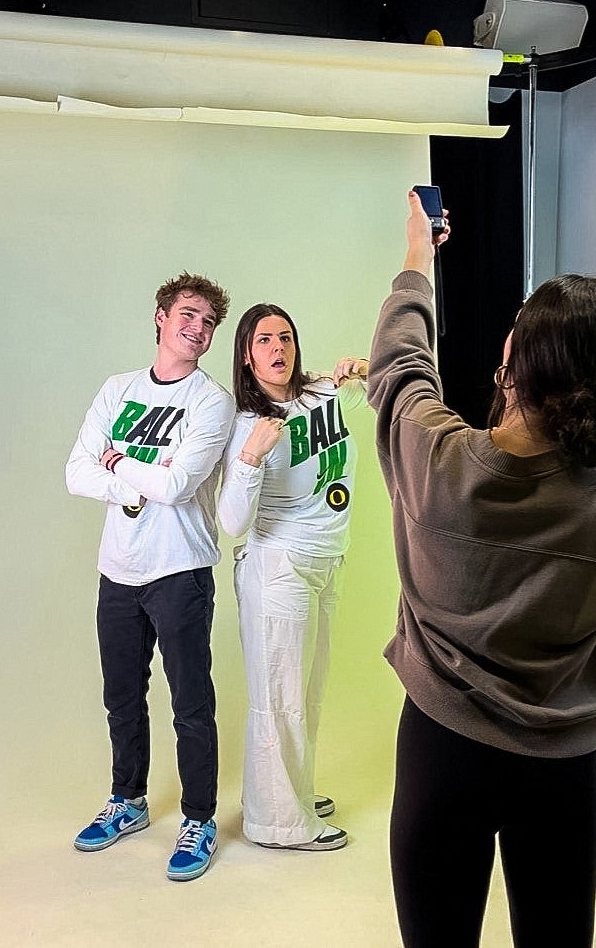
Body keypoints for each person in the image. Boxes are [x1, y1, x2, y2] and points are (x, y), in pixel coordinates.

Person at [367, 189, 596, 947]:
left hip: (439, 754)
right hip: (559, 772)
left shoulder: (435, 458)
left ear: (510, 363)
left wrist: (420, 256)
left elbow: (399, 368)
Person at [65, 272, 235, 882]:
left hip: (180, 570)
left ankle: (199, 818)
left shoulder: (212, 402)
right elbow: (76, 471)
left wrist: (119, 458)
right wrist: (136, 474)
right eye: (188, 315)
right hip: (119, 569)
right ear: (161, 317)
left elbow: (178, 485)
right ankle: (128, 801)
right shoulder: (119, 388)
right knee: (121, 697)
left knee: (191, 702)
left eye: (209, 323)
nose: (198, 329)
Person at [218, 303, 368, 850]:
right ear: (246, 354)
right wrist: (251, 458)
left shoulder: (318, 394)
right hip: (277, 568)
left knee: (307, 691)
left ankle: (290, 791)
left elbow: (368, 393)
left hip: (327, 560)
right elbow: (232, 521)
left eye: (285, 337)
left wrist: (364, 370)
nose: (277, 348)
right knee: (278, 696)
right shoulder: (245, 426)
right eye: (263, 341)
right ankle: (279, 822)